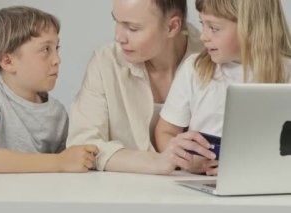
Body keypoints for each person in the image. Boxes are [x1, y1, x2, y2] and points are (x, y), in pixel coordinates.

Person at [67, 0, 213, 175]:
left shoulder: (215, 57)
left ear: (172, 27)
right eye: (117, 22)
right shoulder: (106, 63)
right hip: (125, 195)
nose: (118, 37)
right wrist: (155, 162)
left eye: (133, 28)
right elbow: (82, 145)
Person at [155, 0, 291, 176]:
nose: (203, 36)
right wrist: (188, 160)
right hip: (201, 185)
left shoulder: (286, 73)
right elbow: (165, 132)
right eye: (202, 24)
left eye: (214, 28)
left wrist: (247, 167)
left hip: (266, 184)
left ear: (250, 28)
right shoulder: (195, 69)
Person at [0, 6, 98, 173]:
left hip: (34, 198)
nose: (57, 59)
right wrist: (59, 162)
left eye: (57, 49)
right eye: (45, 49)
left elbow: (67, 169)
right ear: (8, 61)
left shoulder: (57, 113)